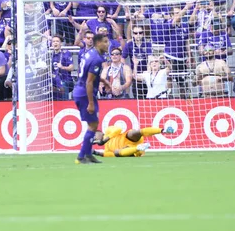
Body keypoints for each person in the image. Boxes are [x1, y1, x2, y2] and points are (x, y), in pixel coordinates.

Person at [73, 33, 109, 164]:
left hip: (80, 90)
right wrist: (91, 103)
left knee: (93, 124)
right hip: (84, 93)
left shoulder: (89, 53)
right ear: (98, 43)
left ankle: (88, 154)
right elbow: (89, 82)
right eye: (105, 42)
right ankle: (81, 156)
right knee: (93, 125)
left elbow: (88, 76)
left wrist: (104, 81)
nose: (107, 44)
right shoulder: (97, 60)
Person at [91, 125, 174, 157]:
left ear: (99, 132)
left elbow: (119, 129)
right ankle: (139, 148)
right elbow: (109, 154)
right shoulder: (106, 148)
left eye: (94, 135)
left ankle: (163, 130)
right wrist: (95, 152)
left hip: (127, 138)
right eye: (94, 139)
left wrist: (105, 140)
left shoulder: (108, 130)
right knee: (116, 153)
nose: (95, 138)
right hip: (128, 148)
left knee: (134, 133)